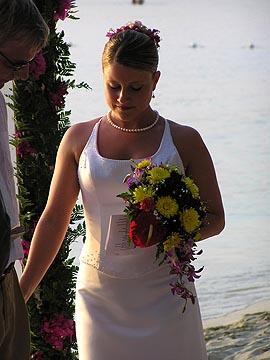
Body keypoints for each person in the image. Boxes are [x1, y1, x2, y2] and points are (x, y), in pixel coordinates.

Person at [20, 20, 225, 359]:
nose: (122, 97)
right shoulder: (78, 139)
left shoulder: (185, 141)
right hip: (99, 297)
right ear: (102, 76)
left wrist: (169, 230)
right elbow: (54, 219)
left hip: (166, 294)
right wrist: (22, 291)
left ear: (155, 81)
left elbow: (216, 218)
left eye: (135, 88)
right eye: (113, 85)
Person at [0, 1, 49, 359]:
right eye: (15, 63)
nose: (20, 76)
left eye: (27, 65)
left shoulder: (0, 103)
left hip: (5, 276)